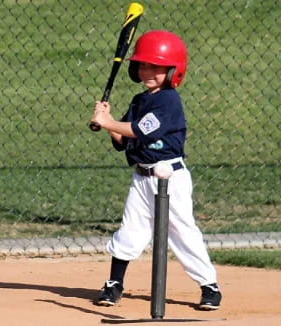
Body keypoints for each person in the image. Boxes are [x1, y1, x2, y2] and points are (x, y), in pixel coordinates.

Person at [89, 30, 222, 310]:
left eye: (156, 66)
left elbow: (141, 130)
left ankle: (209, 285)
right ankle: (114, 284)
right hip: (142, 177)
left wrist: (108, 123)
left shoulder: (169, 101)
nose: (147, 71)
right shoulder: (139, 100)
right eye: (143, 65)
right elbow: (124, 139)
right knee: (130, 230)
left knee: (182, 231)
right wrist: (108, 121)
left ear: (173, 70)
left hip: (171, 176)